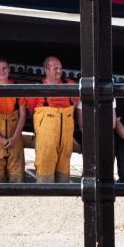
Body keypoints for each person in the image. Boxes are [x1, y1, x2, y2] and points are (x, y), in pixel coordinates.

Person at [25, 55, 78, 183]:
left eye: (60, 68)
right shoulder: (37, 89)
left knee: (64, 170)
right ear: (46, 70)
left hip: (66, 140)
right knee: (45, 170)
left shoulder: (70, 85)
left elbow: (75, 105)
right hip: (46, 141)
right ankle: (45, 198)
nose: (59, 71)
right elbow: (30, 111)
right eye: (55, 69)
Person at [0, 57, 27, 182]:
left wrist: (14, 137)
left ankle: (16, 200)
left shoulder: (17, 89)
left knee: (17, 172)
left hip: (15, 134)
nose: (1, 71)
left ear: (9, 70)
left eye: (4, 68)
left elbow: (23, 115)